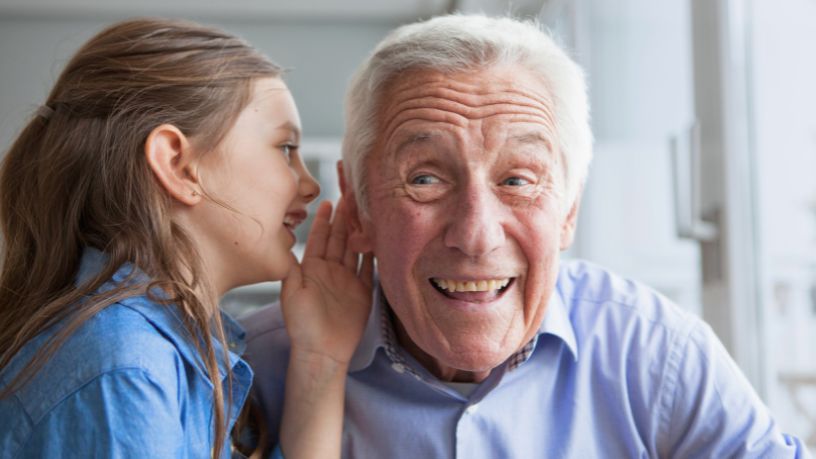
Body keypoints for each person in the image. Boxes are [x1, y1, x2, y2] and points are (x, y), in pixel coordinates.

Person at [242, 14, 811, 458]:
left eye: (517, 179)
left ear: (568, 211)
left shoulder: (659, 355)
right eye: (425, 179)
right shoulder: (250, 367)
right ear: (358, 206)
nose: (476, 234)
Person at [0, 18, 373, 458]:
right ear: (177, 164)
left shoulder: (162, 354)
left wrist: (321, 356)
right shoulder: (126, 370)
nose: (309, 185)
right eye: (285, 149)